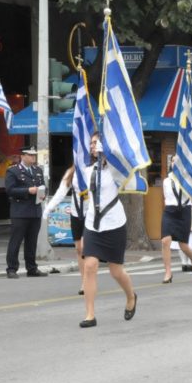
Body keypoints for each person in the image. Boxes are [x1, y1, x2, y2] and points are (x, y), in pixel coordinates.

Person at [80, 134, 138, 328]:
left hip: (114, 223)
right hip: (93, 224)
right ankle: (90, 314)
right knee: (90, 266)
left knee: (116, 271)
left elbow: (129, 167)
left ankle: (131, 296)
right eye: (91, 143)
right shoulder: (87, 170)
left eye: (96, 142)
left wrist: (110, 154)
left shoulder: (116, 171)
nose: (93, 146)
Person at [4, 146, 48, 279]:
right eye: (30, 155)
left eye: (34, 155)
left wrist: (43, 194)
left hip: (35, 210)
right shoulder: (13, 171)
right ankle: (12, 268)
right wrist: (27, 191)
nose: (33, 157)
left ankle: (32, 268)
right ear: (23, 156)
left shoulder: (38, 170)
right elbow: (10, 190)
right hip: (20, 211)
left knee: (32, 241)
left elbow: (43, 186)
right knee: (16, 241)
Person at [43, 165, 86, 294]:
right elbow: (61, 193)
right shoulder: (72, 172)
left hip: (92, 215)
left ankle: (87, 282)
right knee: (79, 249)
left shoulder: (96, 169)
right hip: (76, 214)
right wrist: (48, 209)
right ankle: (84, 279)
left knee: (85, 248)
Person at [160, 158, 192, 283]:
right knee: (165, 241)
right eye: (173, 161)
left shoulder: (187, 180)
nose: (175, 163)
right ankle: (168, 272)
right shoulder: (166, 181)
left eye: (178, 161)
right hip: (170, 212)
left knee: (183, 245)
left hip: (184, 211)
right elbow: (166, 198)